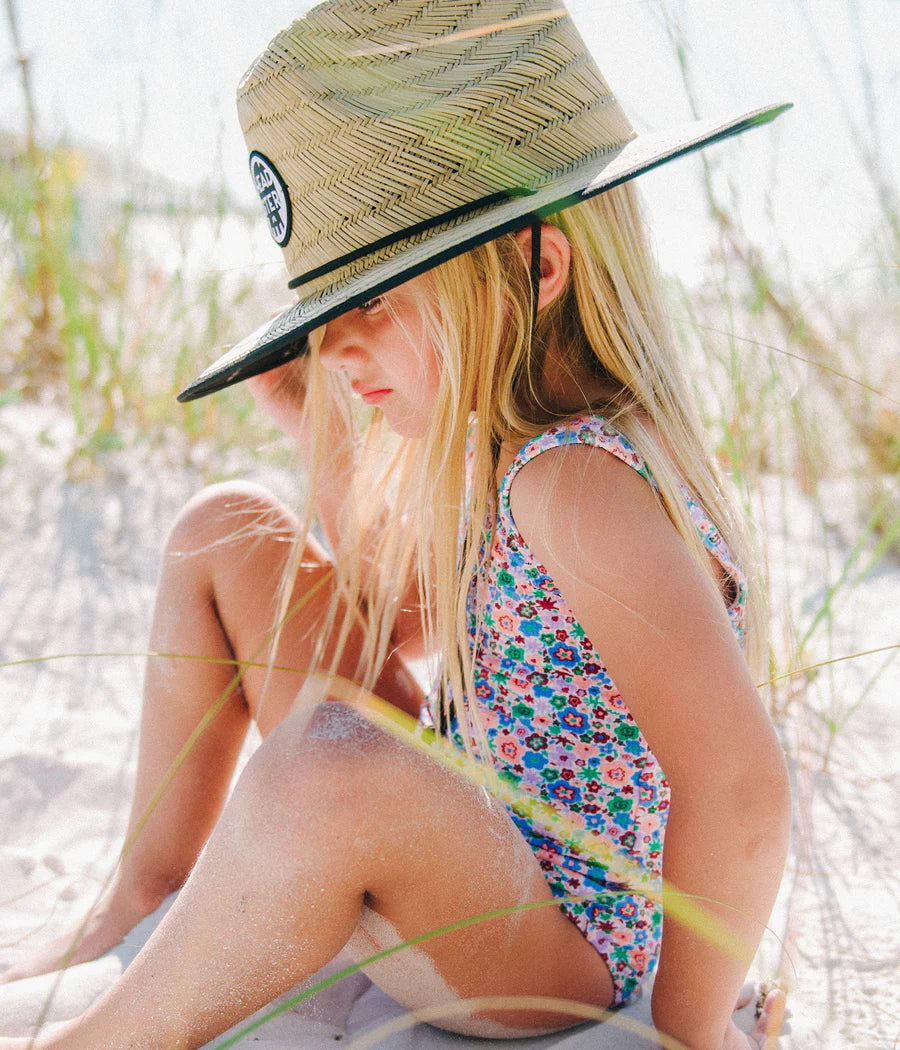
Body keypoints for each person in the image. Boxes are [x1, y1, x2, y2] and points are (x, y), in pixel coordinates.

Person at [0, 2, 793, 1047]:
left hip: (565, 949)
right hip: (479, 844)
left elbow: (742, 787)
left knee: (330, 760)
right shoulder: (516, 456)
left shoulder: (574, 483)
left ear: (534, 268)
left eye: (371, 300)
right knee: (225, 533)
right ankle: (142, 894)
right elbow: (389, 629)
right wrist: (316, 430)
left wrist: (692, 1027)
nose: (335, 348)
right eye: (327, 317)